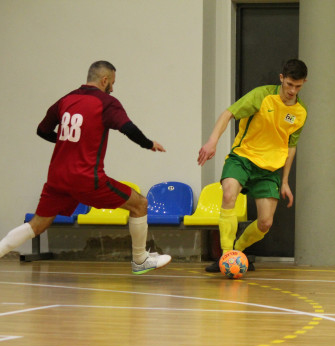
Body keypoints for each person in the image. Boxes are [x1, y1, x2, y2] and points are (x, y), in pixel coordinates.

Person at [0, 61, 171, 274]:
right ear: (105, 80)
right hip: (86, 178)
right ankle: (140, 260)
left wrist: (67, 142)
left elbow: (42, 130)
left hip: (57, 178)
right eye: (112, 83)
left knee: (37, 225)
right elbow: (128, 128)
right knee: (140, 204)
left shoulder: (66, 99)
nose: (113, 88)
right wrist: (148, 143)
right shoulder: (106, 103)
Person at [198, 59, 308, 273]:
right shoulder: (261, 95)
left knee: (265, 223)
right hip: (243, 157)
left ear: (304, 83)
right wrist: (212, 141)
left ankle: (236, 252)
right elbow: (228, 113)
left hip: (270, 169)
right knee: (228, 194)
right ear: (281, 78)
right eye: (289, 85)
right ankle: (226, 255)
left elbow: (291, 146)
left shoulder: (300, 112)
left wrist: (285, 181)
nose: (292, 91)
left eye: (298, 86)